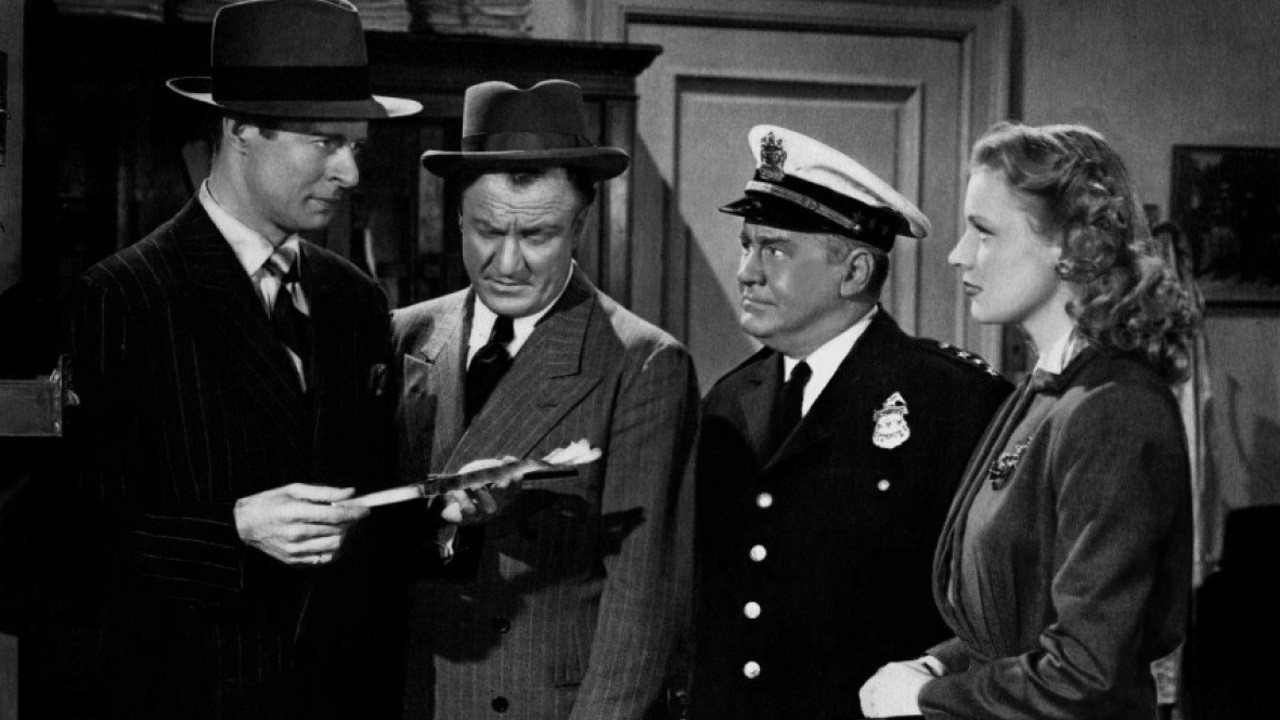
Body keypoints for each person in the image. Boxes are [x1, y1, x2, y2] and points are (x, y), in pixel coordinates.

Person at [64, 2, 421, 718]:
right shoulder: (126, 296)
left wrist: (443, 512)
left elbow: (371, 513)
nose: (350, 171)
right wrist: (232, 529)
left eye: (356, 145)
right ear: (240, 132)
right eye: (326, 142)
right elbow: (69, 543)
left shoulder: (354, 300)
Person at [858, 122, 1201, 719]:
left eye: (984, 231)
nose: (958, 253)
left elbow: (1086, 674)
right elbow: (1018, 622)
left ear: (1071, 246)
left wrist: (926, 697)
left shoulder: (1114, 406)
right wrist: (939, 664)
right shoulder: (1049, 389)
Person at [389, 79, 699, 720]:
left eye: (536, 236)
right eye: (487, 230)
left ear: (579, 227)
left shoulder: (641, 363)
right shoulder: (405, 334)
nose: (507, 263)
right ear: (458, 218)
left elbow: (642, 608)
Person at [690, 125, 1012, 720]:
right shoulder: (730, 399)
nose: (747, 272)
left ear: (856, 271)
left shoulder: (956, 402)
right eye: (746, 246)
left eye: (775, 251)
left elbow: (998, 612)